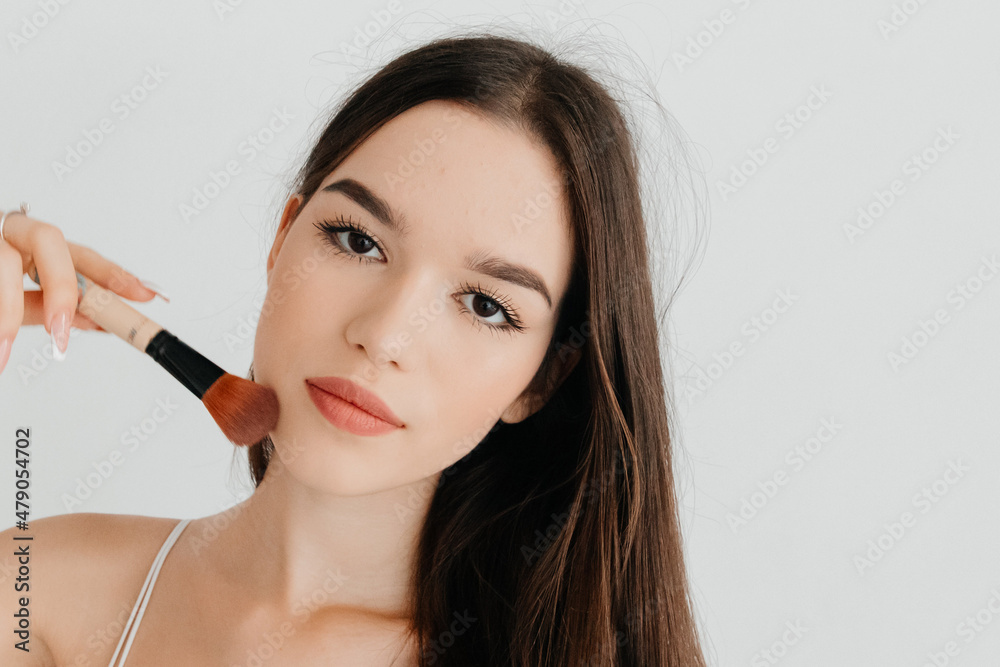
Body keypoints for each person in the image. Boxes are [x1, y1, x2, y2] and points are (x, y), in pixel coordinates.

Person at [0, 31, 709, 666]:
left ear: (544, 379)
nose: (384, 334)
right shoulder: (38, 592)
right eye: (358, 240)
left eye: (487, 305)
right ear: (284, 238)